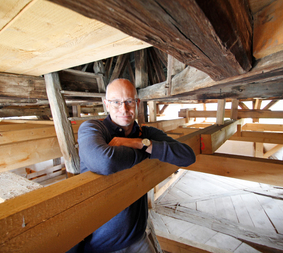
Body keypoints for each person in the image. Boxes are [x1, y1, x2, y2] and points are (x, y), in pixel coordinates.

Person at [75, 78, 196, 253]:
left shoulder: (145, 134)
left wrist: (141, 143)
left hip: (138, 237)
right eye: (116, 102)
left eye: (129, 101)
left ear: (137, 103)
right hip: (102, 244)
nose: (123, 108)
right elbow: (105, 161)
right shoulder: (93, 129)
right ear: (106, 105)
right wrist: (149, 152)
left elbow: (187, 156)